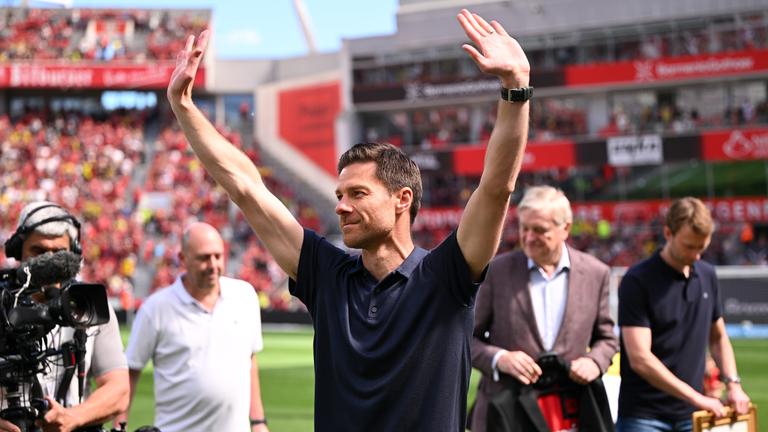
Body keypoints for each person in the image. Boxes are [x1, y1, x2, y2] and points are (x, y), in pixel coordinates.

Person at [167, 8, 530, 432]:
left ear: (402, 200)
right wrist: (184, 106)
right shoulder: (326, 273)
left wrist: (516, 87)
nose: (340, 206)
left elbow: (496, 187)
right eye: (339, 195)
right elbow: (247, 188)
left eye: (357, 194)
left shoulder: (447, 274)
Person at [470, 186, 618, 431]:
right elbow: (466, 337)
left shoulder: (595, 273)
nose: (528, 237)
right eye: (523, 228)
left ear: (566, 229)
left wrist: (594, 362)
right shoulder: (496, 271)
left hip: (567, 413)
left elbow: (607, 339)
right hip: (507, 412)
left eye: (539, 230)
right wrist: (500, 359)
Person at [617, 197, 751, 432]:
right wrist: (696, 398)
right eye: (689, 246)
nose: (697, 255)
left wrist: (733, 384)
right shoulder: (638, 280)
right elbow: (640, 359)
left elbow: (718, 338)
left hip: (695, 414)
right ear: (668, 233)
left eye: (702, 247)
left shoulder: (707, 274)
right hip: (644, 416)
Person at [121, 222, 268, 432]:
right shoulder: (156, 308)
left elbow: (250, 359)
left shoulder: (245, 296)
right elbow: (130, 372)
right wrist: (120, 426)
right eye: (204, 258)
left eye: (218, 256)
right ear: (183, 259)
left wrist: (258, 422)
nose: (213, 264)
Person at [1, 201, 129, 432]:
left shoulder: (92, 306)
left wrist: (72, 418)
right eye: (38, 251)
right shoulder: (2, 304)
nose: (49, 262)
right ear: (18, 252)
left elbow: (119, 390)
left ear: (74, 254)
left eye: (59, 252)